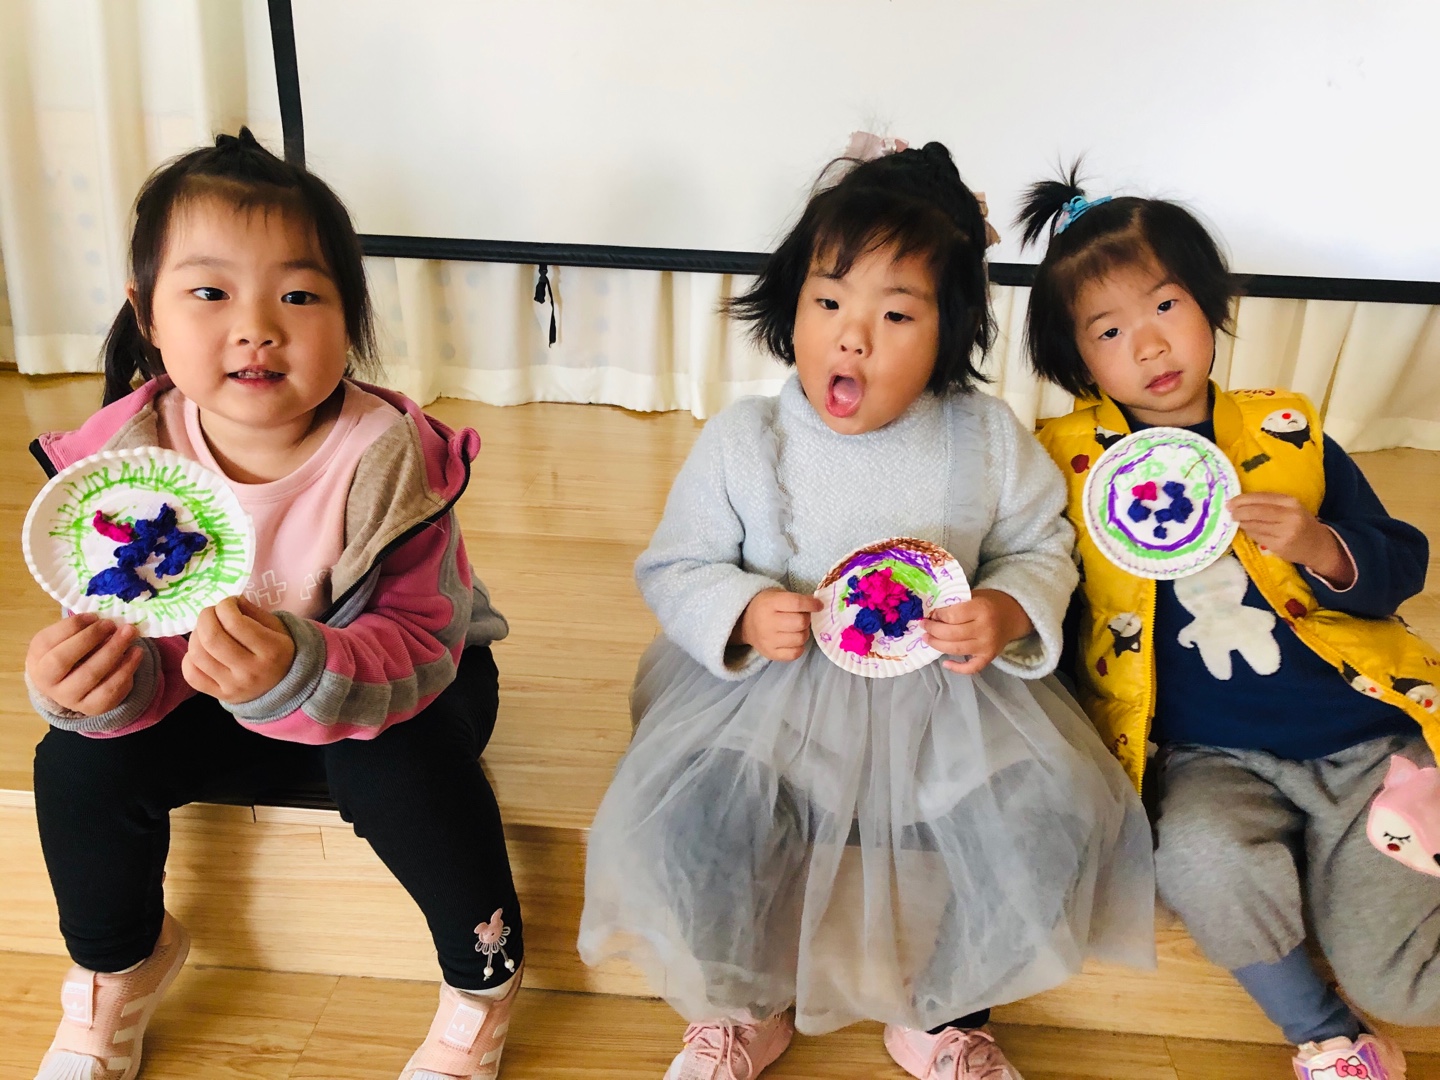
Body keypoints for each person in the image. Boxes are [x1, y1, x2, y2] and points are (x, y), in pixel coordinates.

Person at [578, 140, 1155, 1080]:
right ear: (790, 308)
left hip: (950, 704)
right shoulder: (746, 440)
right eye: (829, 303)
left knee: (1050, 815)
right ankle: (739, 1004)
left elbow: (1041, 546)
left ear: (950, 332)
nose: (853, 338)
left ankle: (945, 1013)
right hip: (773, 704)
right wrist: (743, 610)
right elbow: (677, 565)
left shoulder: (984, 438)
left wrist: (1007, 608)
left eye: (895, 314)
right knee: (693, 819)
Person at [24, 129, 521, 1080]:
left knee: (403, 767)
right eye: (210, 293)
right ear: (147, 313)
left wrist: (302, 668)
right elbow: (115, 638)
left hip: (396, 688)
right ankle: (118, 967)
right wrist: (88, 688)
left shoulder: (390, 458)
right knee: (75, 760)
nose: (256, 327)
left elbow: (422, 640)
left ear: (351, 317)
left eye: (298, 296)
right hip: (202, 699)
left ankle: (482, 982)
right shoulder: (119, 462)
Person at [1022, 167, 1440, 1080]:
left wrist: (1324, 545)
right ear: (1076, 360)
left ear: (1211, 305)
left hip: (1364, 742)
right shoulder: (1062, 466)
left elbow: (1401, 560)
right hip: (1211, 763)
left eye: (1166, 304)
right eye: (1108, 330)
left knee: (1408, 984)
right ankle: (1324, 1035)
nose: (1149, 343)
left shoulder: (1286, 433)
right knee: (1199, 863)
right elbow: (1040, 596)